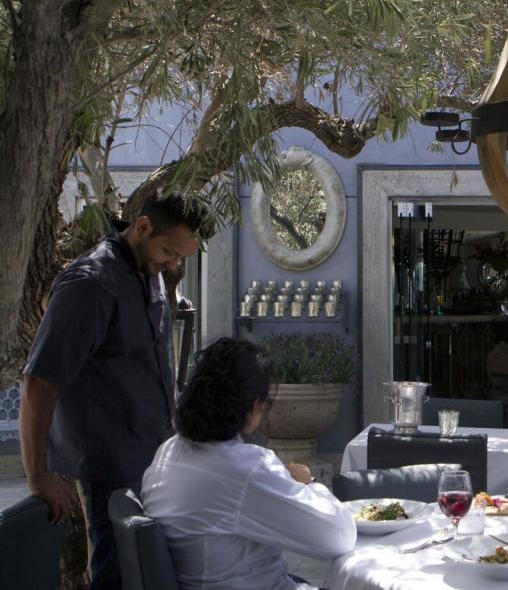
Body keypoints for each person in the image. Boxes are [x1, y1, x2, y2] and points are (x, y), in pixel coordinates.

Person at [19, 190, 207, 590]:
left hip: (153, 458)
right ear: (142, 227)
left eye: (182, 257)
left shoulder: (151, 273)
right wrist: (37, 474)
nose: (174, 263)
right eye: (169, 251)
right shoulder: (90, 283)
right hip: (110, 467)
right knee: (117, 575)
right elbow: (39, 381)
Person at [141, 338, 356, 590]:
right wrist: (308, 483)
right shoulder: (245, 468)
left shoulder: (167, 454)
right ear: (254, 405)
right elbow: (339, 536)